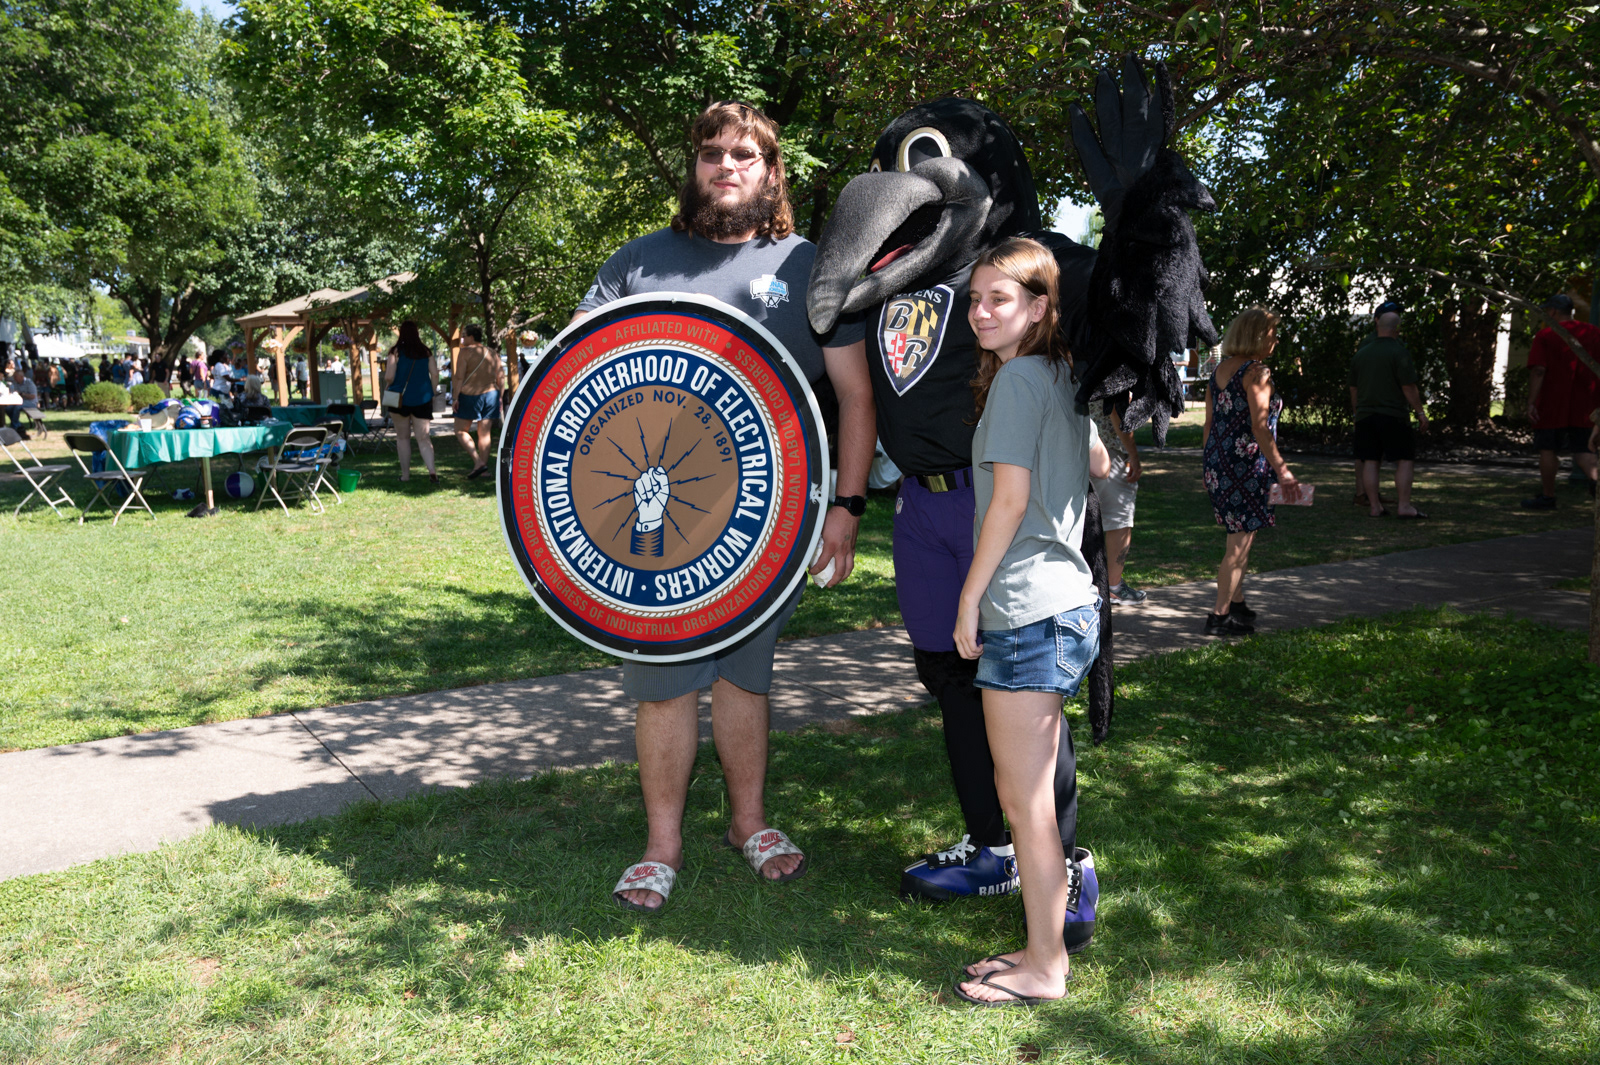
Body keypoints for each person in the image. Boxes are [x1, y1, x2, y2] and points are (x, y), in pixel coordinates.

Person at [571, 100, 874, 913]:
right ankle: (660, 845)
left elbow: (854, 395)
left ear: (772, 171)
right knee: (664, 679)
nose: (727, 166)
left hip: (768, 517)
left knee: (746, 673)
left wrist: (847, 505)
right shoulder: (637, 262)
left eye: (745, 154)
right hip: (651, 518)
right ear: (694, 166)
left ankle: (749, 823)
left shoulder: (811, 264)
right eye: (712, 153)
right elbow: (572, 369)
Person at [951, 238, 1110, 1006]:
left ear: (1040, 305)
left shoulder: (1019, 378)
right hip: (1067, 602)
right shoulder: (1059, 372)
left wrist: (968, 596)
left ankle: (1047, 969)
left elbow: (1009, 502)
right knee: (1029, 797)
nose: (980, 312)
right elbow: (1102, 464)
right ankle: (1040, 945)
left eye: (999, 299)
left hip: (1026, 609)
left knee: (1025, 804)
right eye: (974, 299)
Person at [1202, 307, 1300, 635]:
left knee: (1242, 536)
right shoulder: (1257, 372)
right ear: (1257, 335)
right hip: (1246, 466)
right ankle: (1219, 617)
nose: (1276, 340)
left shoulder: (1219, 370)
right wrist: (1283, 471)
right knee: (1239, 543)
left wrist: (1208, 466)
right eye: (1273, 333)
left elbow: (1209, 424)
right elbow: (1260, 427)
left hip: (1220, 462)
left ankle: (1237, 602)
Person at [1350, 306, 1429, 518]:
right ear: (1397, 329)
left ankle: (1374, 506)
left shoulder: (1361, 353)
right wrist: (1420, 412)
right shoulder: (1399, 352)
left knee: (1370, 460)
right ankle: (1404, 506)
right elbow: (1408, 386)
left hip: (1366, 415)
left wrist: (1357, 413)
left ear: (1378, 325)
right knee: (1404, 459)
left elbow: (1353, 388)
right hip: (1393, 414)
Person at [1524, 294, 1600, 506]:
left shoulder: (1547, 335)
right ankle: (1596, 483)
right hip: (1586, 402)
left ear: (1553, 311)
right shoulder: (1594, 333)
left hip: (1552, 401)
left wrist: (1531, 402)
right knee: (1585, 449)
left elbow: (1539, 370)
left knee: (1548, 449)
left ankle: (1548, 496)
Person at [1089, 393, 1146, 604]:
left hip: (1083, 445)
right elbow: (1117, 412)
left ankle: (1094, 584)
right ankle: (1113, 586)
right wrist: (1134, 456)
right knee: (1119, 520)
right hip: (1109, 449)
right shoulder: (1115, 375)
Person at [382, 321, 440, 484]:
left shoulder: (395, 352)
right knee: (424, 438)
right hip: (422, 398)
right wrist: (432, 392)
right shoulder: (425, 351)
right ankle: (432, 471)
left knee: (403, 438)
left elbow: (389, 377)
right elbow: (435, 374)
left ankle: (405, 475)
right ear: (417, 333)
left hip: (399, 398)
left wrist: (389, 383)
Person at [450, 324, 504, 479]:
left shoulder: (465, 352)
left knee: (460, 430)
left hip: (469, 395)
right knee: (484, 433)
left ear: (472, 337)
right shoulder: (492, 352)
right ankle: (483, 469)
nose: (462, 339)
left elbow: (459, 377)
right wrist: (500, 396)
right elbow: (501, 376)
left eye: (464, 336)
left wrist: (455, 398)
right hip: (491, 394)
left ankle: (478, 462)